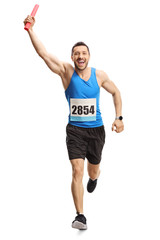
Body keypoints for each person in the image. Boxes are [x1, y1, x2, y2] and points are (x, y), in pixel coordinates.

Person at [23, 15, 124, 230]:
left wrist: (119, 117)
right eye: (76, 53)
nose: (80, 56)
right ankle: (80, 216)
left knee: (92, 171)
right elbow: (43, 54)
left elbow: (116, 92)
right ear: (72, 56)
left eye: (84, 53)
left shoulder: (100, 75)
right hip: (75, 131)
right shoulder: (66, 72)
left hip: (97, 131)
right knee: (77, 170)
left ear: (88, 56)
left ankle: (94, 178)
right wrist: (31, 30)